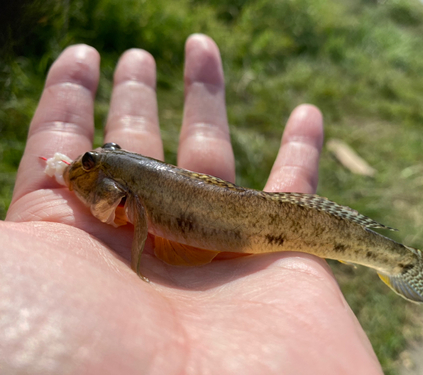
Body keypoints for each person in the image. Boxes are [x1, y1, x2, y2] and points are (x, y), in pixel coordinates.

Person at [0, 34, 383, 374]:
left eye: (89, 165)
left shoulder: (121, 189)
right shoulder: (120, 192)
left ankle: (391, 259)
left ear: (117, 190)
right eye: (91, 161)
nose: (82, 169)